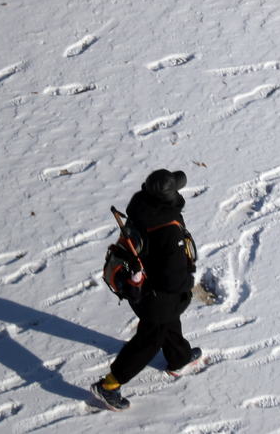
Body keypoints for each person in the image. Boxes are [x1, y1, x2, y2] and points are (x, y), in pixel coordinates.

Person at [91, 169, 201, 411]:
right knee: (149, 340)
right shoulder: (168, 230)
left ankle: (179, 358)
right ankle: (109, 385)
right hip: (157, 296)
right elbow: (173, 279)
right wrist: (188, 284)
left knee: (169, 322)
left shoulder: (142, 209)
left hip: (139, 288)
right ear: (169, 198)